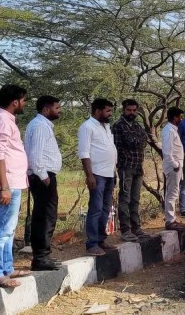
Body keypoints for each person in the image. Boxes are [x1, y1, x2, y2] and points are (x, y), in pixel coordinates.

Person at [0, 84, 31, 288]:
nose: (25, 104)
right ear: (15, 102)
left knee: (9, 229)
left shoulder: (3, 118)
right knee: (2, 229)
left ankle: (6, 268)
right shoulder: (2, 120)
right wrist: (4, 186)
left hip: (12, 182)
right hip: (6, 184)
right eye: (24, 100)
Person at [111, 99, 161, 242]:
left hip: (138, 166)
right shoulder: (118, 126)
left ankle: (136, 227)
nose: (132, 113)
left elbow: (143, 140)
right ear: (123, 110)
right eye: (129, 110)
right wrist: (136, 141)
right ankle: (125, 230)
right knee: (125, 199)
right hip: (126, 166)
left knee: (135, 199)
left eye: (134, 110)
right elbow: (126, 144)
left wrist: (136, 141)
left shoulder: (137, 125)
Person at [24, 95, 63, 271]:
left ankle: (43, 256)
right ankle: (40, 258)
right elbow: (35, 155)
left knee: (47, 216)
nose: (59, 110)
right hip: (42, 176)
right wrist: (43, 176)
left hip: (44, 175)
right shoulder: (40, 126)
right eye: (56, 107)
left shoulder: (42, 125)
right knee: (44, 217)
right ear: (46, 109)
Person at [79, 98, 118, 256]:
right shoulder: (87, 127)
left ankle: (101, 239)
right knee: (95, 209)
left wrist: (113, 171)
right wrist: (90, 175)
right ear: (97, 110)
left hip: (109, 173)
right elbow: (84, 153)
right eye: (107, 110)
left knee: (105, 208)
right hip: (97, 174)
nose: (110, 113)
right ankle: (92, 243)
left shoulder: (106, 127)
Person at [162, 107, 185, 229]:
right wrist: (175, 164)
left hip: (176, 166)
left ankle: (172, 219)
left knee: (173, 193)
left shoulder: (173, 130)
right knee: (171, 194)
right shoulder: (169, 131)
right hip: (173, 167)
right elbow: (167, 151)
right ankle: (170, 221)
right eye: (179, 117)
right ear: (174, 117)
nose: (180, 119)